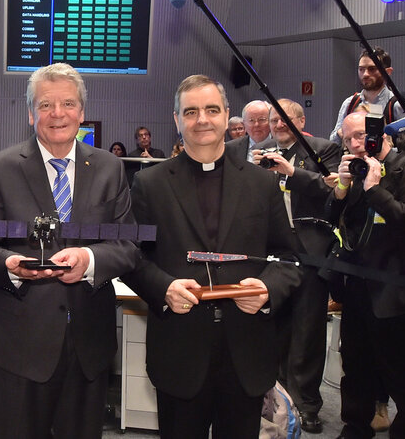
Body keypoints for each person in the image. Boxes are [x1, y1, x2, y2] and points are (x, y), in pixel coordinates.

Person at [121, 75, 301, 439]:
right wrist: (164, 288)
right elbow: (131, 256)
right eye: (191, 111)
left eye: (211, 110)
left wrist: (267, 290)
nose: (202, 119)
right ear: (176, 119)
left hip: (246, 352)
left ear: (226, 116)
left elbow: (289, 258)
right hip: (180, 352)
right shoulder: (149, 184)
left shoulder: (261, 183)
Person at [0, 62, 140, 438]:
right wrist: (11, 265)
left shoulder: (111, 168)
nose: (57, 114)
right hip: (17, 347)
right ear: (31, 113)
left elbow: (128, 245)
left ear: (82, 112)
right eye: (46, 105)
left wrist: (89, 259)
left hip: (88, 348)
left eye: (67, 104)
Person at [326, 112, 405, 439]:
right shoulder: (355, 168)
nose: (355, 144)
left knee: (403, 373)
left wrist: (375, 188)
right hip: (356, 285)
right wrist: (342, 187)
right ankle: (355, 425)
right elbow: (331, 220)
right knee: (356, 365)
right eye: (347, 138)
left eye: (362, 135)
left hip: (398, 287)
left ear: (382, 134)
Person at [252, 98, 340, 433]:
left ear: (301, 120)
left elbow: (332, 190)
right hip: (273, 254)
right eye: (273, 121)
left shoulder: (323, 149)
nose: (277, 127)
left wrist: (291, 172)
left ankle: (307, 403)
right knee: (274, 329)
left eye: (285, 120)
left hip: (310, 252)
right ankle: (276, 398)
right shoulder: (262, 154)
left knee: (308, 331)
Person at [329, 47, 405, 145]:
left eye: (372, 69)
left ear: (388, 72)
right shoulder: (349, 103)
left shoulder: (397, 105)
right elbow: (334, 143)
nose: (365, 74)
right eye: (361, 69)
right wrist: (342, 134)